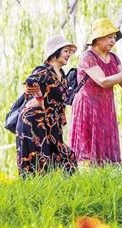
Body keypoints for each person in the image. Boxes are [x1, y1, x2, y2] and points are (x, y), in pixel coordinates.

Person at [70, 18, 122, 165]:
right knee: (88, 150)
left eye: (114, 37)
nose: (113, 40)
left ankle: (107, 170)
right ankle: (87, 172)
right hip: (88, 106)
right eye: (109, 37)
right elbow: (103, 81)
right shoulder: (88, 57)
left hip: (106, 106)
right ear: (97, 39)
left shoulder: (114, 58)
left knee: (106, 150)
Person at [16, 35, 78, 177]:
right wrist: (39, 98)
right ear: (55, 52)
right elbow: (30, 82)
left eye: (69, 51)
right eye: (66, 51)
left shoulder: (62, 75)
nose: (68, 54)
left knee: (67, 158)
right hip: (34, 121)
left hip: (52, 123)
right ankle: (35, 190)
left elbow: (60, 102)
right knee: (39, 163)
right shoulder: (43, 70)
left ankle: (71, 188)